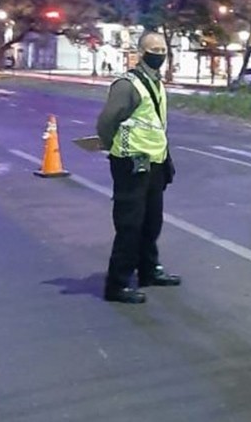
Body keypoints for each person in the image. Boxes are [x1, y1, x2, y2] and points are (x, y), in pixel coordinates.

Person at [96, 32, 180, 304]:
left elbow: (156, 125)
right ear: (141, 52)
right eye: (154, 49)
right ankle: (117, 284)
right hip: (131, 163)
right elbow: (106, 123)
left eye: (163, 49)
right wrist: (115, 148)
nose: (159, 54)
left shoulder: (156, 83)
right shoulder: (126, 85)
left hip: (154, 162)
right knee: (129, 225)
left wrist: (164, 158)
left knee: (151, 221)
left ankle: (148, 270)